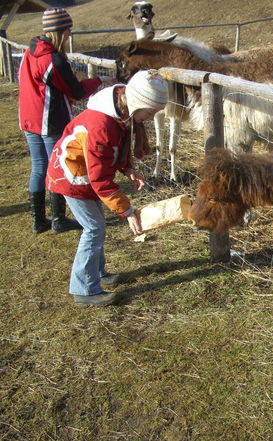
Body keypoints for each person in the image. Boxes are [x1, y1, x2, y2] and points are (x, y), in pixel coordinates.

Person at [47, 69, 169, 306]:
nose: (152, 117)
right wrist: (127, 211)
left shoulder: (119, 114)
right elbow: (100, 178)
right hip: (71, 178)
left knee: (97, 226)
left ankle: (98, 272)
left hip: (84, 176)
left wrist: (127, 169)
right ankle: (84, 289)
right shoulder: (101, 126)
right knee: (93, 229)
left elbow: (112, 153)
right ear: (137, 104)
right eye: (151, 112)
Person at [18, 7, 115, 234]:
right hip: (49, 120)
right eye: (68, 30)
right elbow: (76, 91)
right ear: (60, 31)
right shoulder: (53, 60)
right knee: (57, 167)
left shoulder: (30, 51)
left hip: (27, 118)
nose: (70, 35)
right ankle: (59, 219)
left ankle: (38, 220)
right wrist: (100, 80)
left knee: (39, 167)